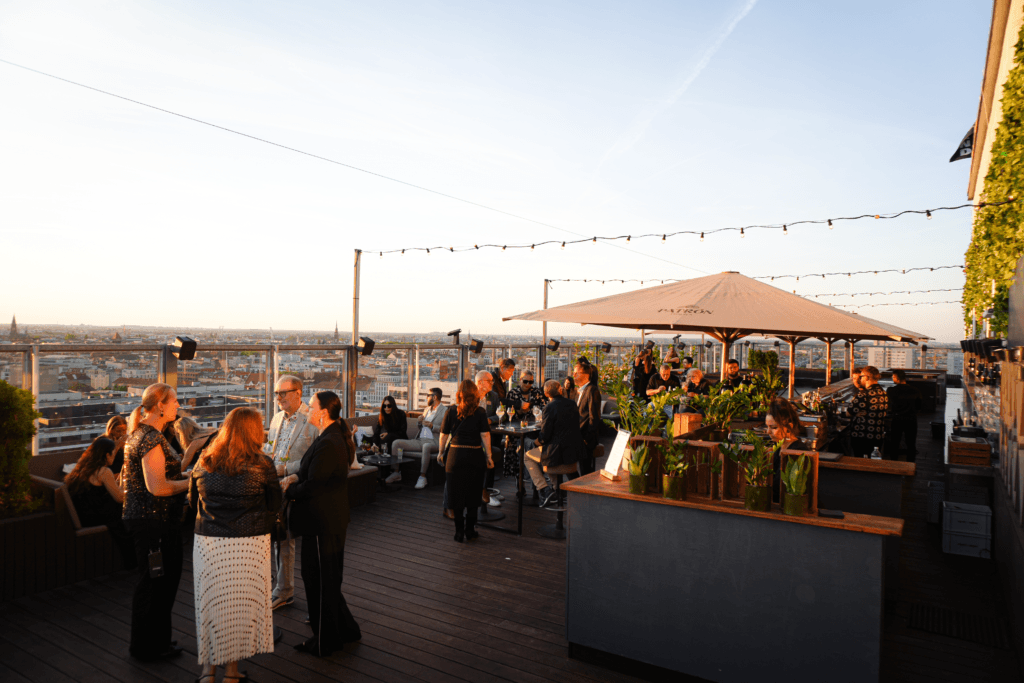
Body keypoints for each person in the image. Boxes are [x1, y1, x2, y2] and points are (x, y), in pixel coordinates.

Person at [189, 407, 282, 683]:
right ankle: (231, 673)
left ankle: (208, 672)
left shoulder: (204, 460)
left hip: (209, 542)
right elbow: (275, 504)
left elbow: (192, 500)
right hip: (249, 544)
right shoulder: (263, 464)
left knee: (209, 604)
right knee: (239, 607)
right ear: (253, 430)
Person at [280, 391, 361, 657]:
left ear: (323, 412)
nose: (308, 410)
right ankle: (346, 628)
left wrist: (290, 490)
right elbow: (317, 476)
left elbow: (315, 485)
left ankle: (326, 639)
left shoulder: (328, 442)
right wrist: (296, 477)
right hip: (331, 519)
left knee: (318, 581)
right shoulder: (335, 437)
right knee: (329, 577)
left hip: (320, 522)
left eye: (312, 406)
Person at [122, 383, 189, 662]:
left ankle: (155, 641)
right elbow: (158, 487)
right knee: (156, 583)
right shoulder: (150, 439)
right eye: (174, 401)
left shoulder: (143, 434)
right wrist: (192, 483)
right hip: (154, 524)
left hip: (152, 522)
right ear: (160, 405)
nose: (178, 406)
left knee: (158, 583)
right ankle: (147, 647)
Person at [266, 375, 319, 611]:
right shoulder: (277, 417)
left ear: (298, 393)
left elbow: (314, 459)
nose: (278, 398)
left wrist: (285, 468)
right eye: (276, 393)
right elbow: (271, 448)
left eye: (282, 393)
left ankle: (284, 590)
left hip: (295, 485)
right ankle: (279, 585)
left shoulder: (313, 419)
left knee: (285, 539)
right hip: (273, 484)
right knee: (276, 537)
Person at [64, 436, 135, 567]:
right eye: (113, 453)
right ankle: (135, 555)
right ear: (107, 455)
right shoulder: (104, 471)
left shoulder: (82, 467)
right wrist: (127, 480)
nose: (114, 457)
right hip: (94, 517)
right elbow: (119, 497)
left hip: (84, 514)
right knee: (129, 509)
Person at [439, 379, 493, 542]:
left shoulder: (450, 411)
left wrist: (441, 452)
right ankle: (470, 530)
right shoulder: (481, 412)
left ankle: (458, 531)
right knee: (473, 494)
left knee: (456, 494)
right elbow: (485, 435)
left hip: (455, 456)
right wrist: (489, 456)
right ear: (475, 394)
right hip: (474, 455)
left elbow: (444, 435)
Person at [525, 380, 584, 506]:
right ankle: (557, 490)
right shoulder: (572, 404)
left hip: (557, 455)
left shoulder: (549, 407)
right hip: (573, 453)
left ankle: (544, 489)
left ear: (546, 394)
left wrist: (535, 443)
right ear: (560, 390)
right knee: (547, 450)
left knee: (528, 456)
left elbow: (545, 437)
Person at [393, 387, 447, 490]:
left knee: (426, 446)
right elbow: (421, 427)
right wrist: (419, 422)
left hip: (434, 442)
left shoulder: (445, 411)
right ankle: (396, 472)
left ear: (434, 397)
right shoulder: (426, 410)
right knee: (396, 444)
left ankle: (422, 477)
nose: (426, 397)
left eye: (428, 395)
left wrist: (432, 426)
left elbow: (445, 430)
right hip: (420, 440)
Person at [765, 398, 811, 503]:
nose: (768, 432)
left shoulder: (798, 452)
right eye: (767, 427)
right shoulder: (779, 448)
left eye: (773, 427)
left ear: (789, 427)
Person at [475, 370, 503, 509]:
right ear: (480, 382)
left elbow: (500, 415)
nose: (493, 383)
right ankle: (481, 491)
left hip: (489, 434)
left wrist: (489, 421)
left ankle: (488, 491)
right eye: (490, 381)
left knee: (493, 450)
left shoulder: (494, 396)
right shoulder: (470, 395)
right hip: (471, 437)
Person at [849, 366, 888, 458]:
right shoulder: (884, 392)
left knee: (860, 462)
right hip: (878, 435)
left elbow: (848, 412)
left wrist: (857, 413)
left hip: (862, 437)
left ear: (867, 377)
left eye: (861, 376)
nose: (860, 379)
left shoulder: (864, 394)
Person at [886, 370, 922, 462]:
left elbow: (888, 405)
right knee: (911, 443)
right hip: (911, 419)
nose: (892, 379)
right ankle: (910, 464)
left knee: (895, 442)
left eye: (893, 377)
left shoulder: (891, 390)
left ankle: (893, 463)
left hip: (897, 419)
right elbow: (919, 406)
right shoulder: (916, 390)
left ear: (897, 377)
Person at [371, 396, 407, 484]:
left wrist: (389, 433)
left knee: (388, 439)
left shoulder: (401, 414)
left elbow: (402, 431)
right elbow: (376, 433)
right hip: (385, 442)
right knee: (372, 452)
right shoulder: (382, 416)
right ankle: (374, 477)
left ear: (393, 406)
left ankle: (385, 475)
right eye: (384, 406)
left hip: (399, 438)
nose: (386, 408)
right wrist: (374, 444)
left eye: (389, 406)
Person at [575, 358, 601, 476]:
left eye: (576, 373)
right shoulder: (580, 391)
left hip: (586, 439)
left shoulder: (591, 390)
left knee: (586, 470)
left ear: (585, 375)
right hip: (579, 436)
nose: (573, 375)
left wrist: (587, 438)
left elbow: (593, 416)